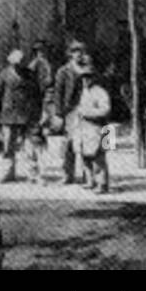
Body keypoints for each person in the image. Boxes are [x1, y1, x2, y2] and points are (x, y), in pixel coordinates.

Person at [0, 49, 40, 183]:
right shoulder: (4, 74)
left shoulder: (30, 75)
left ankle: (32, 174)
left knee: (29, 146)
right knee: (8, 145)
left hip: (26, 114)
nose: (18, 66)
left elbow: (36, 94)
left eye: (20, 63)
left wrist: (36, 112)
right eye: (16, 63)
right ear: (11, 62)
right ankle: (8, 173)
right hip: (8, 114)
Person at [53, 40, 89, 184]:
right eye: (75, 51)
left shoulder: (88, 69)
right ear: (70, 54)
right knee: (69, 143)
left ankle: (89, 175)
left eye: (81, 51)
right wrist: (58, 113)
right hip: (71, 111)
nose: (79, 54)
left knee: (87, 143)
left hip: (87, 110)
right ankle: (68, 174)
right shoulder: (63, 71)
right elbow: (58, 93)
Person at [76, 61, 111, 193]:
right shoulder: (84, 92)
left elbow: (105, 110)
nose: (85, 80)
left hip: (99, 127)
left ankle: (102, 183)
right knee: (86, 156)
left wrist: (88, 113)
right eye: (83, 77)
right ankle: (90, 180)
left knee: (98, 157)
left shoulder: (100, 92)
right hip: (85, 128)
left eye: (88, 77)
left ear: (94, 78)